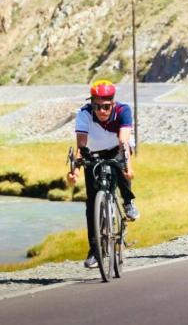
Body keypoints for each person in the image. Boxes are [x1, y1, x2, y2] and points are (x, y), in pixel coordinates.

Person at [67, 79, 139, 269]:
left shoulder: (123, 111)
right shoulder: (84, 113)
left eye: (106, 106)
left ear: (113, 103)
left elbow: (123, 142)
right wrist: (75, 171)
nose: (101, 111)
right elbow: (81, 146)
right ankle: (95, 251)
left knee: (120, 169)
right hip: (93, 152)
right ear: (92, 103)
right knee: (92, 203)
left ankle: (128, 201)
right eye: (97, 106)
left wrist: (128, 168)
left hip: (117, 148)